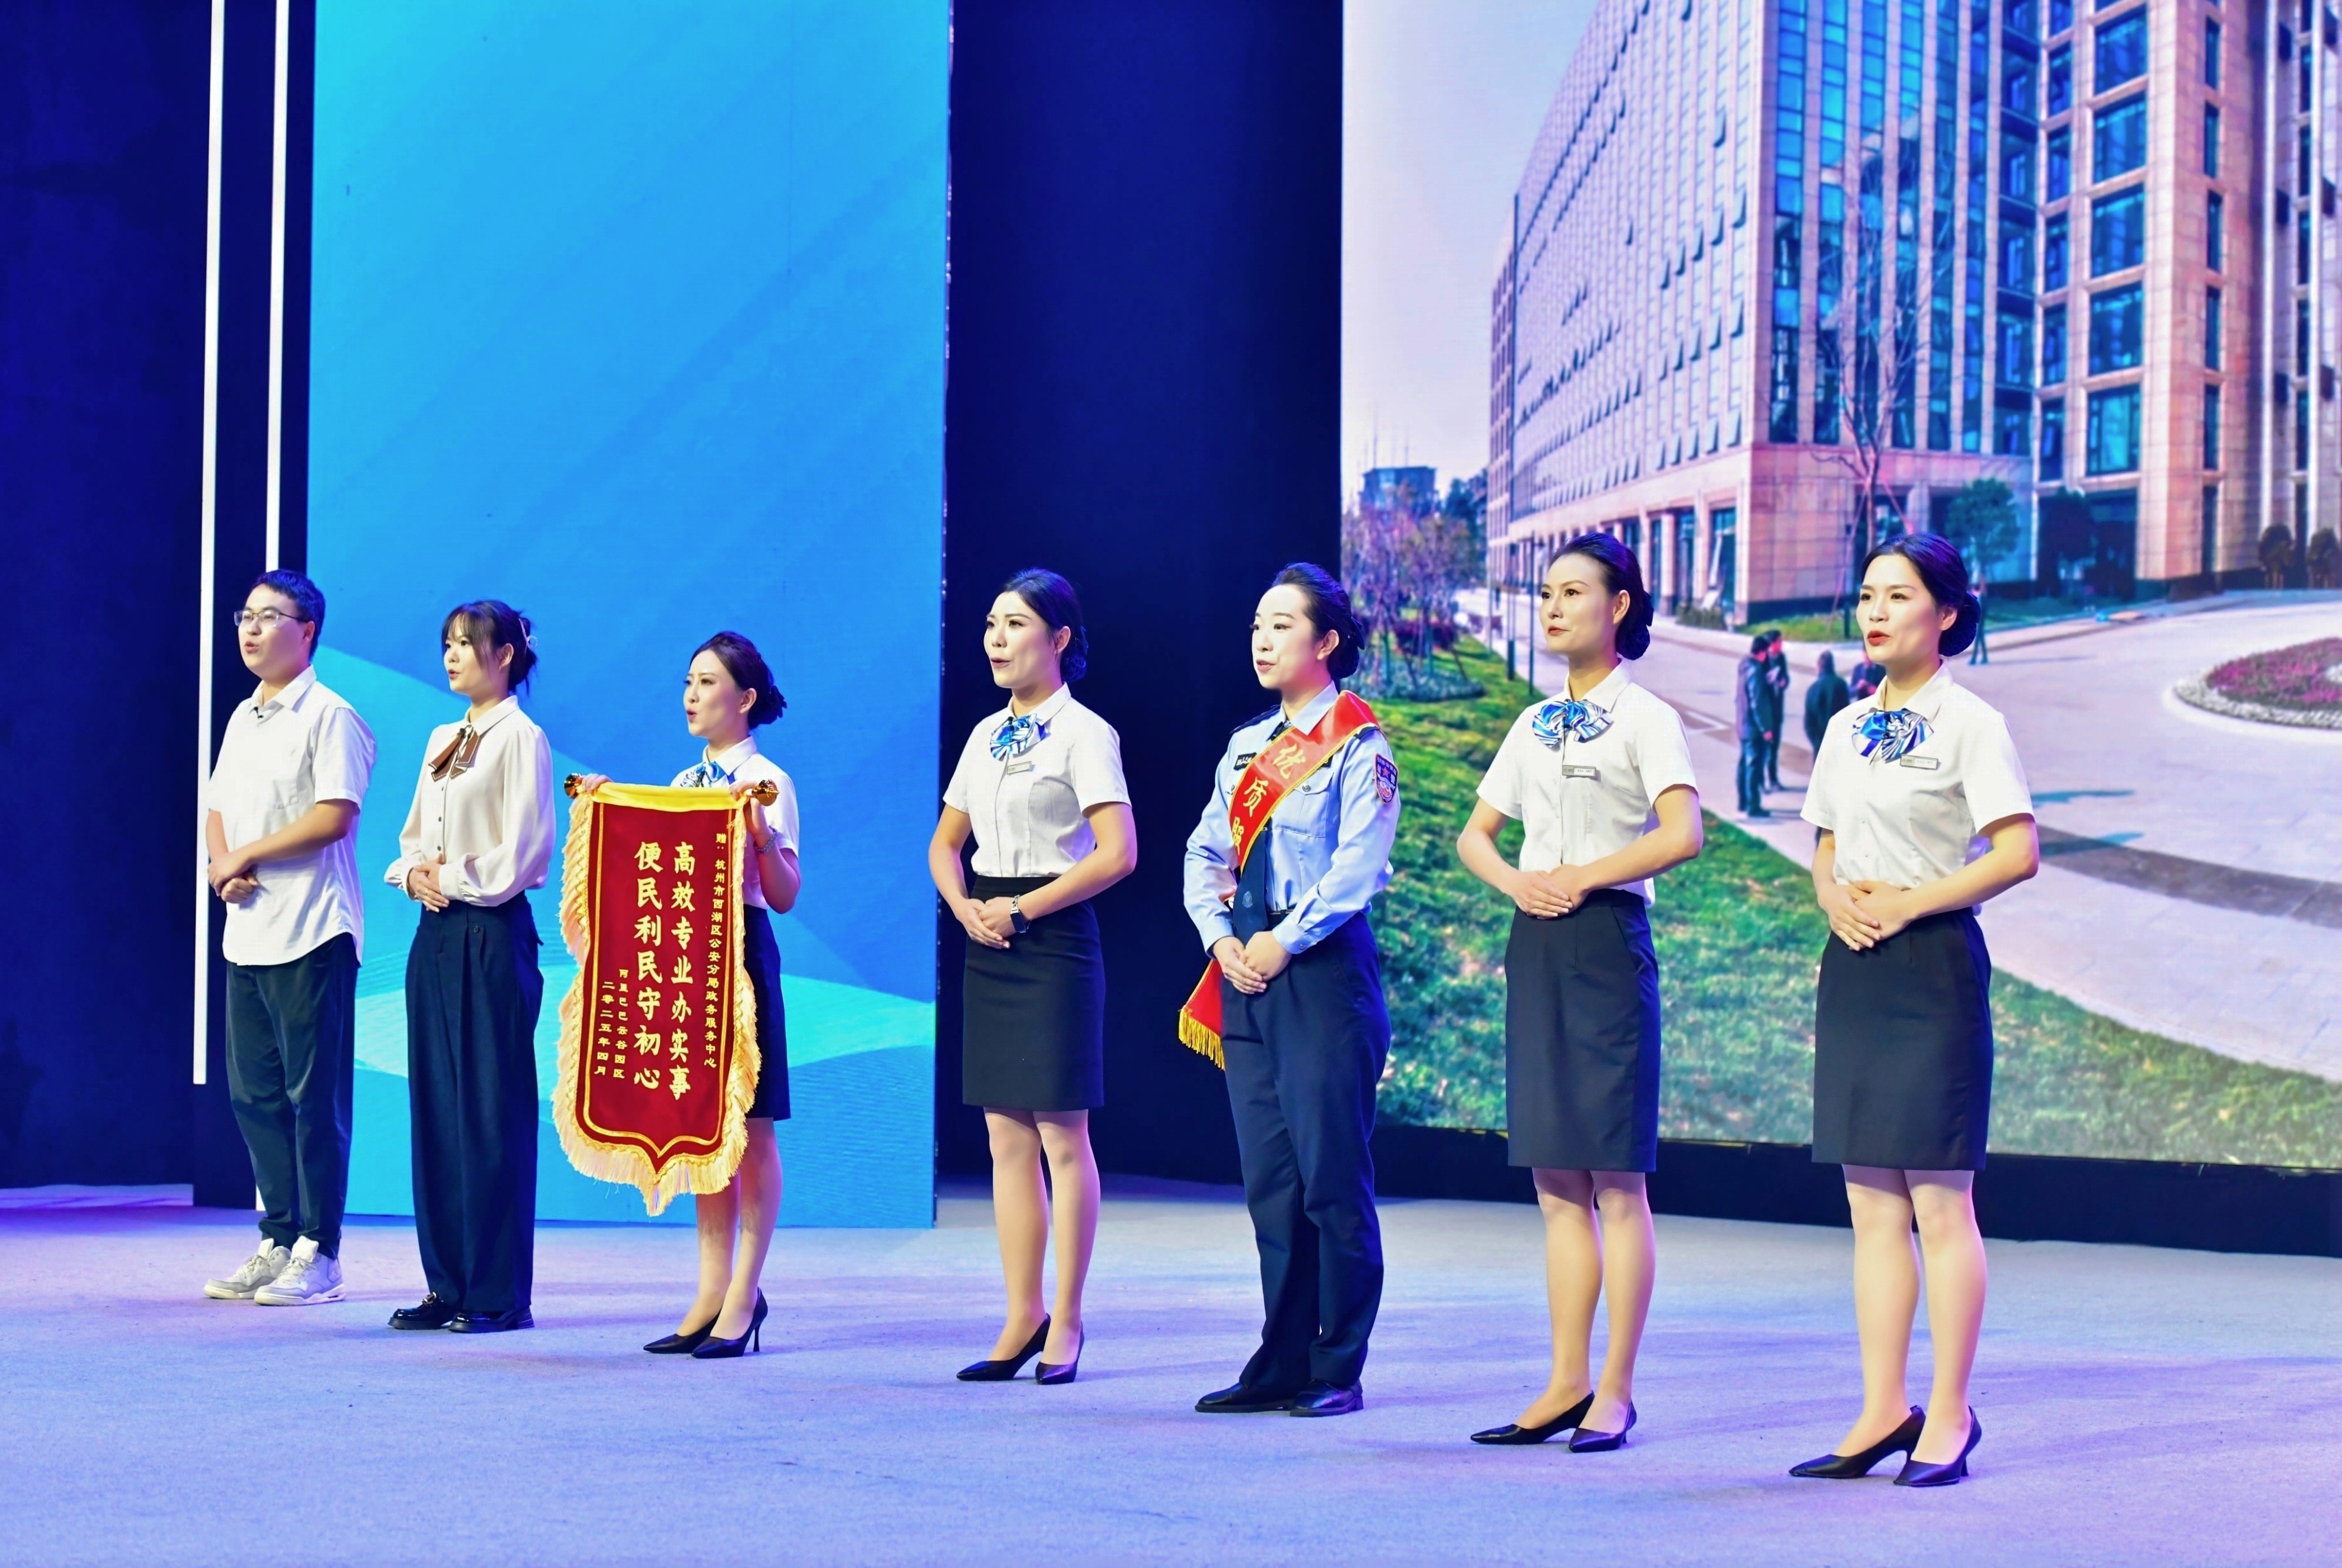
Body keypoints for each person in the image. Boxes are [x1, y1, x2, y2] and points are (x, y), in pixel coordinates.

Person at [1791, 533, 2038, 1488]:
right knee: (1870, 1206)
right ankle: (1880, 1409)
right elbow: (1824, 844)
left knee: (1939, 1203)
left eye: (1897, 595)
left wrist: (1910, 902)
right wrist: (1832, 897)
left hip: (1932, 965)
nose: (1875, 611)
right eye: (1867, 595)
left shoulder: (1971, 722)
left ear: (1947, 613)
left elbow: (2016, 851)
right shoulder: (1847, 724)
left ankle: (1950, 1413)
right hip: (1853, 965)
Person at [1455, 535, 1701, 1452]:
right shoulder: (1531, 723)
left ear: (1619, 604)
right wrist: (1518, 883)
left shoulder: (1645, 716)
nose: (1552, 607)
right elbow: (1475, 835)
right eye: (1545, 593)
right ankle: (1563, 1379)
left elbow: (1682, 832)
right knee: (1555, 1180)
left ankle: (1615, 1390)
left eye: (1571, 592)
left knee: (1614, 1181)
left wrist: (1583, 875)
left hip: (1606, 939)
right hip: (1536, 943)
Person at [1183, 563, 1400, 1419]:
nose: (1263, 640)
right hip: (1245, 971)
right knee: (1271, 1184)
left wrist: (1282, 938)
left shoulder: (1358, 744)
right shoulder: (1245, 747)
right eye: (1256, 626)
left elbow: (1358, 867)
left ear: (1327, 640)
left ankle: (1336, 1363)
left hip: (1320, 973)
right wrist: (1221, 937)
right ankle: (1279, 1357)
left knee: (1329, 1180)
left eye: (1281, 625)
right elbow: (1204, 853)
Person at [931, 570, 1136, 1386]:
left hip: (1051, 938)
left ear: (1059, 639)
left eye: (1015, 623)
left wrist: (1022, 910)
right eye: (991, 622)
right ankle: (1021, 1315)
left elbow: (1117, 854)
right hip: (988, 932)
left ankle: (1069, 1318)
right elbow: (945, 844)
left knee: (1060, 1134)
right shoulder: (985, 734)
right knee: (1004, 1138)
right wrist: (965, 909)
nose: (996, 637)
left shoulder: (1085, 732)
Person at [576, 632, 801, 1359]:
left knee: (753, 1129)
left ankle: (745, 1294)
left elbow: (785, 895)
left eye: (707, 683)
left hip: (743, 954)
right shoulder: (683, 781)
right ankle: (710, 1291)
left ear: (746, 698)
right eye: (688, 682)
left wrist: (758, 833)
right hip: (685, 963)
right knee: (705, 1129)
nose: (691, 696)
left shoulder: (766, 780)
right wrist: (605, 808)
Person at [201, 570, 377, 1307]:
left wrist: (247, 856)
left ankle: (319, 1250)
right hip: (247, 933)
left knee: (315, 1101)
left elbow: (334, 816)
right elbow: (217, 807)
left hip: (312, 930)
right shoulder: (244, 717)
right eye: (246, 616)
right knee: (255, 1097)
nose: (251, 629)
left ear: (307, 632)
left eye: (269, 617)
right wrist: (223, 865)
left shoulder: (331, 716)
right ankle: (276, 1239)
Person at [384, 602, 557, 1334]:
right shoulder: (442, 737)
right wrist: (412, 874)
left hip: (491, 931)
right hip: (435, 935)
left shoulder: (521, 737)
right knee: (437, 1109)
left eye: (467, 644)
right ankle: (447, 1285)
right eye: (448, 643)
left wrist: (445, 878)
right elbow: (411, 838)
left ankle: (498, 1293)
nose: (452, 655)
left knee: (490, 1112)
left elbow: (524, 853)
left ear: (506, 655)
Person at [1733, 634, 1773, 818]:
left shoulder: (1744, 665)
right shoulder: (1756, 672)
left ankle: (1742, 801)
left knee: (1744, 764)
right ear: (1762, 652)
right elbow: (1758, 703)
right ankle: (1753, 805)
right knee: (1753, 765)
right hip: (1753, 727)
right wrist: (1766, 728)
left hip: (1743, 724)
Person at [1803, 649, 1851, 756]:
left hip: (1820, 749)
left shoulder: (1813, 689)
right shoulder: (1841, 685)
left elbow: (1808, 724)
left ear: (1819, 667)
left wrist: (1818, 744)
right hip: (1838, 747)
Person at [1761, 632, 1792, 790]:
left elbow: (1786, 676)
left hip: (1778, 710)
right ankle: (1761, 781)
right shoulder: (1763, 659)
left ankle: (1773, 779)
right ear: (1772, 644)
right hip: (1767, 711)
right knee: (1764, 748)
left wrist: (1784, 682)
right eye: (1779, 642)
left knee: (1774, 748)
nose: (1781, 645)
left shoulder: (1781, 658)